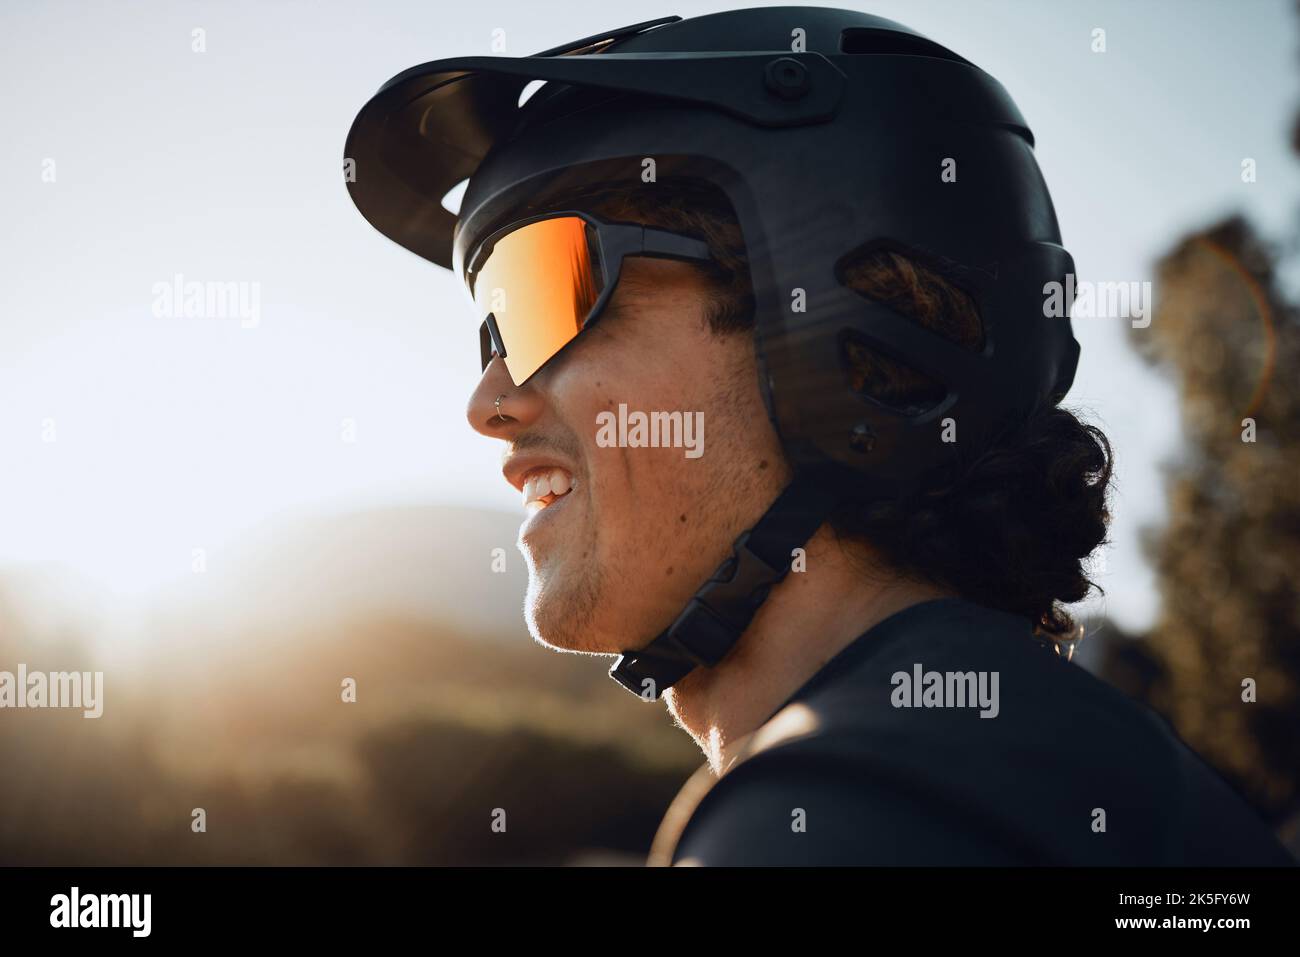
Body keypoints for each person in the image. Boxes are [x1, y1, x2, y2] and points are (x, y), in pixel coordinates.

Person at [344, 7, 1296, 865]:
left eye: (544, 292)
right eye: (492, 330)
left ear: (842, 332)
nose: (488, 399)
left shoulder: (857, 809)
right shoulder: (1066, 769)